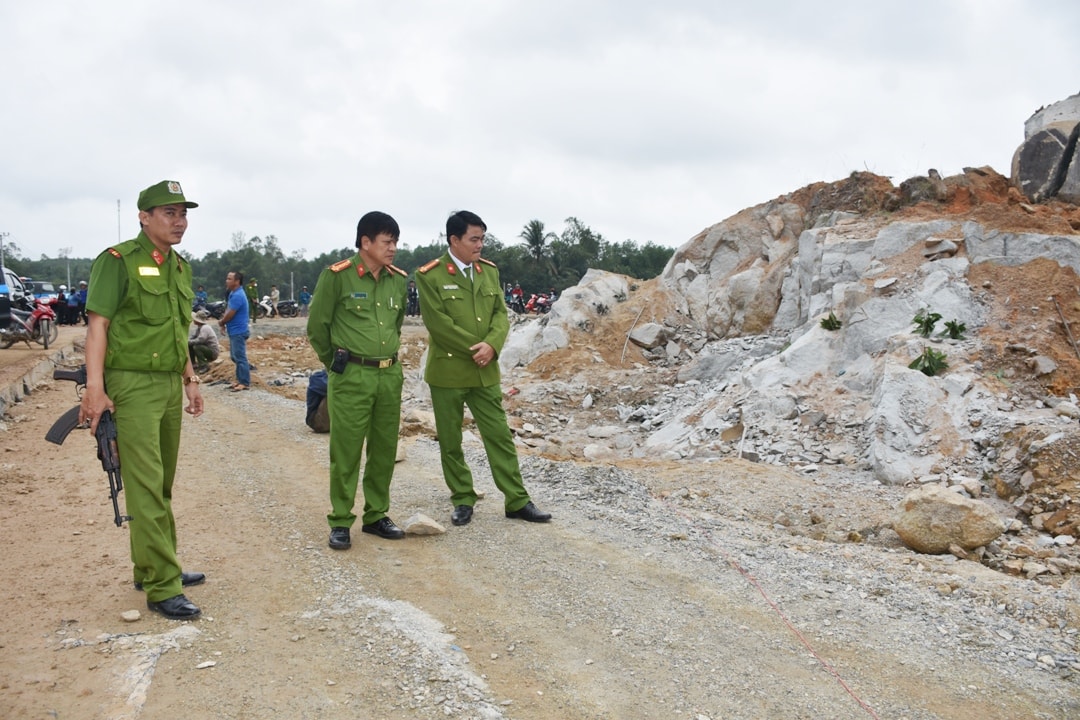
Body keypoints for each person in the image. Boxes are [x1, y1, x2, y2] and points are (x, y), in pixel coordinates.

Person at [80, 179, 206, 621]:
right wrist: (96, 389)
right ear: (144, 217)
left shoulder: (180, 266)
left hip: (169, 385)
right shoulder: (118, 261)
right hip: (131, 385)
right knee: (146, 485)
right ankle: (162, 586)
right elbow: (98, 327)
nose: (179, 222)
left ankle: (150, 563)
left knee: (162, 482)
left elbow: (177, 328)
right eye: (169, 213)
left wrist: (190, 377)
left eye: (183, 214)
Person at [415, 210, 552, 527]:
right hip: (448, 372)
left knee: (499, 436)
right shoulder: (430, 275)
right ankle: (462, 498)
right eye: (474, 239)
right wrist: (474, 348)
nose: (480, 245)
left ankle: (516, 499)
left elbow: (500, 316)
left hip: (484, 370)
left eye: (482, 238)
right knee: (451, 441)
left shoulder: (488, 271)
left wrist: (492, 345)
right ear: (454, 240)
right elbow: (439, 324)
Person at [307, 210, 409, 549]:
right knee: (346, 451)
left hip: (388, 375)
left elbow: (395, 325)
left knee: (384, 449)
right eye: (386, 241)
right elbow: (317, 327)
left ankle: (377, 515)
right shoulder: (338, 277)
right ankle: (340, 520)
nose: (393, 248)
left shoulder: (397, 279)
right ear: (365, 243)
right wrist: (337, 363)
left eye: (395, 241)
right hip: (351, 376)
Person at [218, 270, 251, 391]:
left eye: (229, 279)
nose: (226, 281)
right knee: (234, 356)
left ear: (237, 281)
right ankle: (240, 379)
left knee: (240, 357)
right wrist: (223, 323)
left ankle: (244, 382)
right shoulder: (233, 293)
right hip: (234, 330)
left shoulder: (238, 295)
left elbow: (230, 314)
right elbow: (228, 310)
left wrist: (222, 322)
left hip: (239, 331)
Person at [188, 309, 220, 373]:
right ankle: (193, 364)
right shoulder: (199, 328)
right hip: (207, 348)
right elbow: (193, 337)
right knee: (190, 345)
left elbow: (200, 340)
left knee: (197, 347)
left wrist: (189, 342)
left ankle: (204, 365)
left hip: (212, 352)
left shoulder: (205, 328)